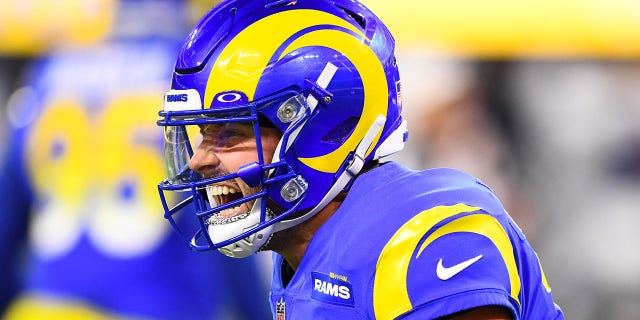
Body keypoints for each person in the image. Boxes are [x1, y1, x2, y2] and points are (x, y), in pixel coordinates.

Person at [155, 0, 565, 319]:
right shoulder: (302, 250)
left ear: (325, 132)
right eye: (204, 134)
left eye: (232, 133)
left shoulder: (420, 233)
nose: (199, 161)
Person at [0, 1, 270, 319]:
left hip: (47, 308)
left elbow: (7, 221)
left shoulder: (50, 69)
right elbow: (220, 217)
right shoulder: (192, 73)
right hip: (158, 306)